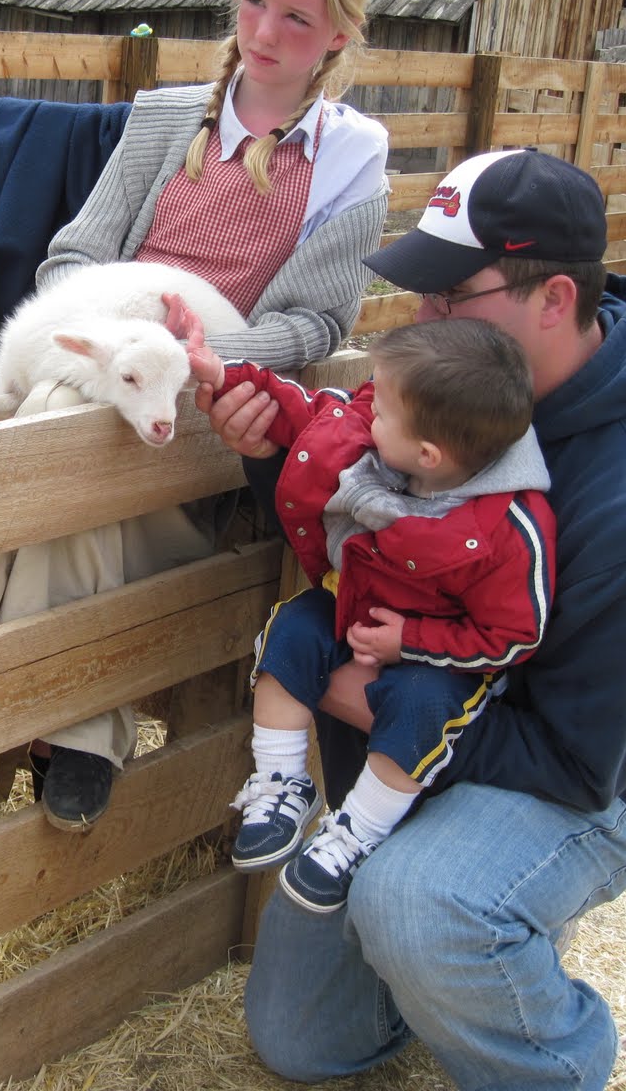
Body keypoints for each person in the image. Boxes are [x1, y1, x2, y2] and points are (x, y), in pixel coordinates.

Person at [199, 147, 626, 1088]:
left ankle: (554, 1052)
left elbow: (582, 762)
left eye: (450, 296)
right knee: (299, 1040)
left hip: (581, 787)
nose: (423, 318)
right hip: (420, 722)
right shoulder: (445, 393)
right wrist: (266, 455)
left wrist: (374, 701)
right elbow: (363, 522)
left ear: (554, 299)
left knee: (421, 905)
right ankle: (452, 958)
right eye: (420, 295)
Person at [0, 0, 390, 832]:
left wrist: (208, 358)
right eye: (254, 3)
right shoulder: (162, 119)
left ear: (339, 36)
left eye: (297, 20)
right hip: (119, 367)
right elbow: (71, 256)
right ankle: (75, 728)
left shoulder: (351, 156)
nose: (265, 33)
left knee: (58, 406)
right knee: (74, 393)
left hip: (221, 412)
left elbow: (314, 321)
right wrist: (113, 334)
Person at [185, 318, 554, 912]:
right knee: (290, 633)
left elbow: (512, 636)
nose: (364, 410)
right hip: (353, 602)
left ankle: (358, 829)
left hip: (436, 650)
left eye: (379, 408)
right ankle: (283, 781)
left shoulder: (508, 532)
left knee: (420, 712)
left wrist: (411, 640)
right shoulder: (380, 438)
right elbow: (309, 410)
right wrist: (225, 376)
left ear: (427, 455)